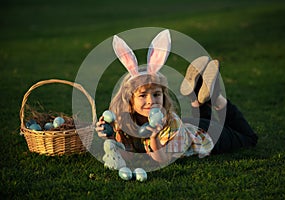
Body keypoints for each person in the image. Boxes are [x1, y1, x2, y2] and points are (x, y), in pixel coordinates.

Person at [95, 29, 258, 167]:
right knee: (197, 124)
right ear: (129, 100)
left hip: (210, 138)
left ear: (163, 96)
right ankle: (195, 97)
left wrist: (153, 138)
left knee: (249, 139)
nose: (151, 100)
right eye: (143, 95)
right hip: (191, 127)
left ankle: (216, 98)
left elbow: (162, 160)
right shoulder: (124, 121)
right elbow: (128, 155)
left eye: (156, 94)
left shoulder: (168, 122)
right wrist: (111, 137)